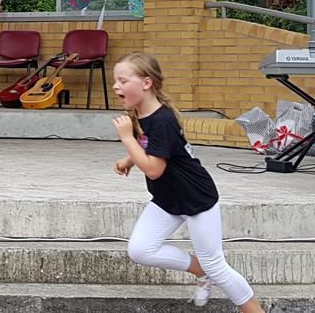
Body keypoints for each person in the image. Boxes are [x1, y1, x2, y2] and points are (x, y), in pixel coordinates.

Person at [112, 52, 264, 313]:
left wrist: (126, 139)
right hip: (168, 199)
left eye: (123, 81)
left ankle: (254, 309)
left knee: (217, 265)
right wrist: (130, 159)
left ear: (146, 83)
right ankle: (200, 270)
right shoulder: (142, 113)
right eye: (115, 81)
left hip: (195, 198)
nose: (116, 86)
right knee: (140, 250)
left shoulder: (162, 120)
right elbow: (151, 145)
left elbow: (154, 170)